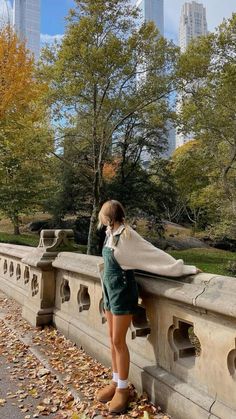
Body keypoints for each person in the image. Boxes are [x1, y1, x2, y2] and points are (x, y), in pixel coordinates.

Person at [95, 200, 200, 414]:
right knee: (112, 339)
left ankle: (123, 390)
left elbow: (152, 254)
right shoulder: (109, 233)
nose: (101, 219)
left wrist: (181, 268)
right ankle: (115, 382)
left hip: (123, 292)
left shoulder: (127, 236)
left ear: (108, 217)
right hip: (109, 290)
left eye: (102, 215)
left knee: (118, 340)